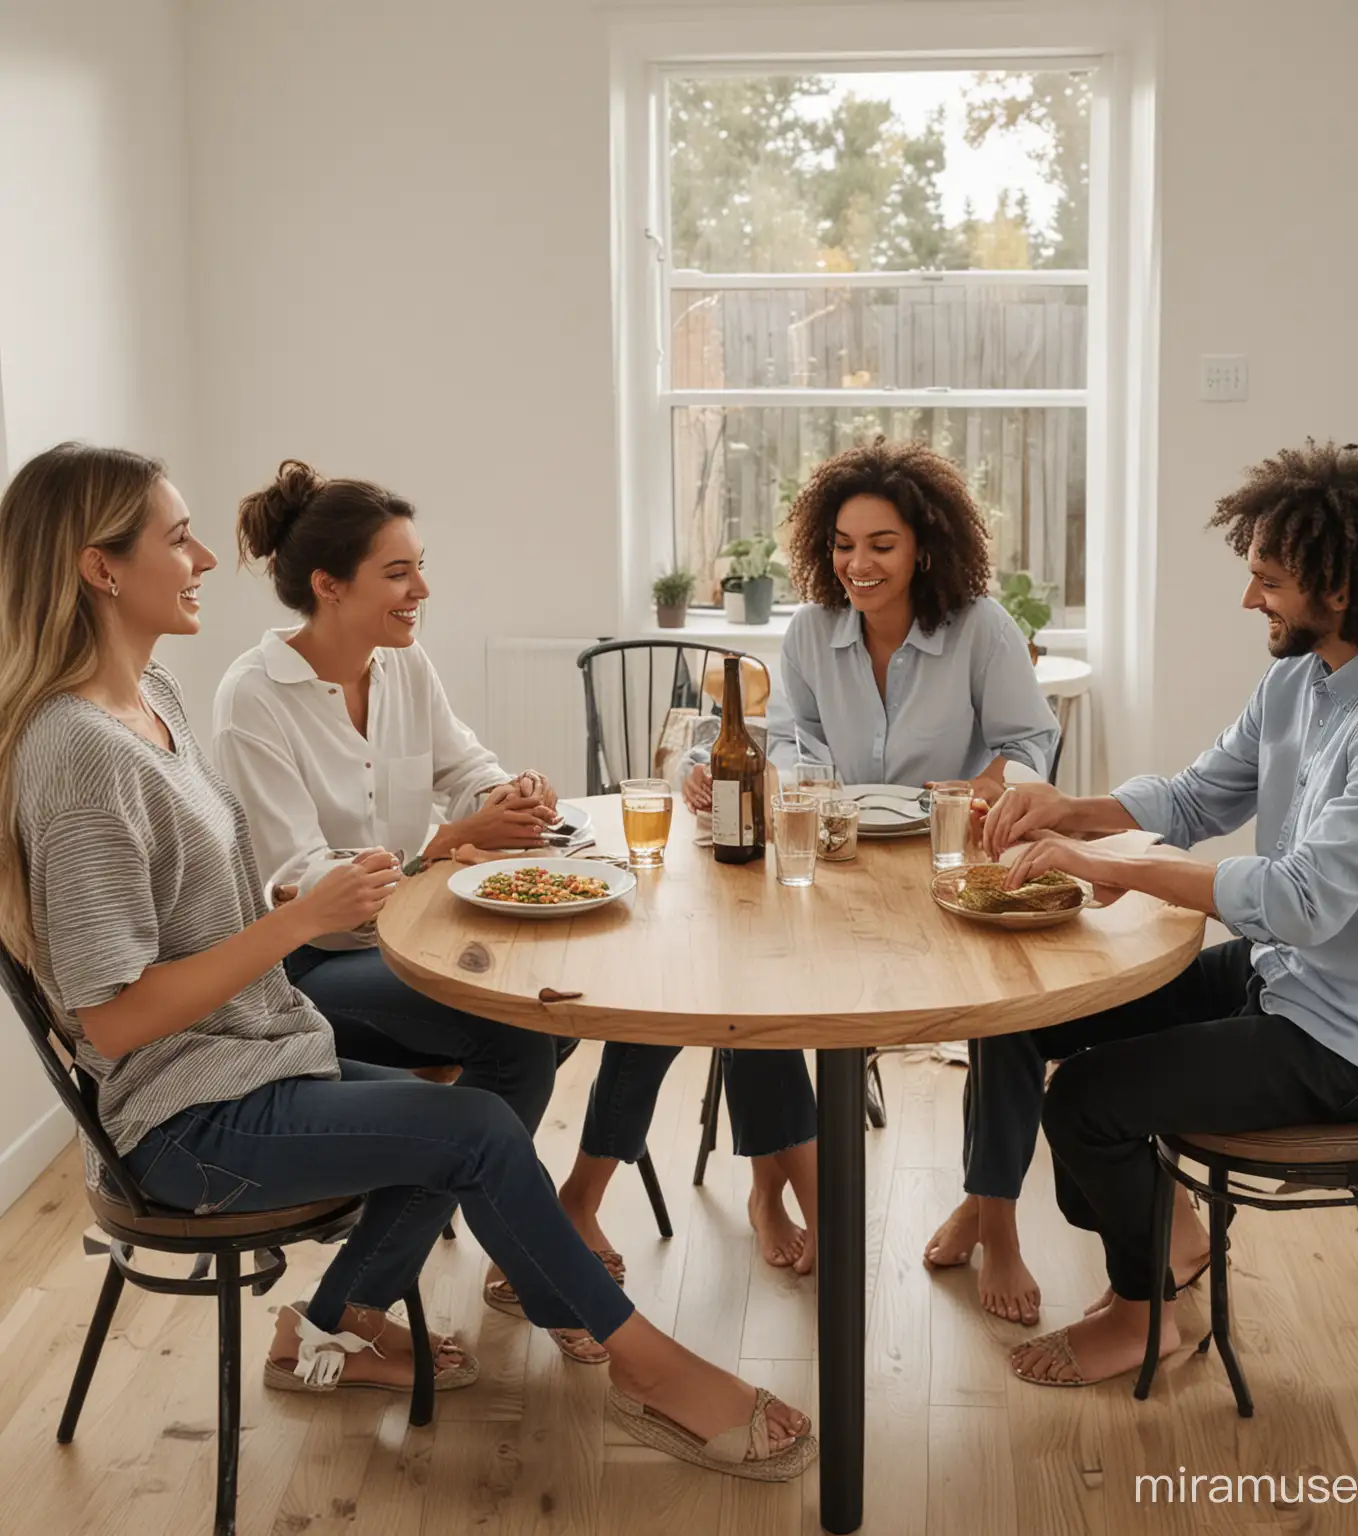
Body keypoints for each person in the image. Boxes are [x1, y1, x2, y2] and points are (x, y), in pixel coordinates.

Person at [0, 442, 814, 1478]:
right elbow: (108, 1019)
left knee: (496, 1079)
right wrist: (298, 923)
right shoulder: (77, 751)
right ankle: (646, 1366)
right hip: (184, 1119)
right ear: (99, 567)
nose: (205, 555)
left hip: (256, 1055)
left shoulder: (148, 697)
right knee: (471, 1127)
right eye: (177, 537)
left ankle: (332, 1324)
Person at [980, 441, 1358, 1387]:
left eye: (1269, 581)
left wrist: (1112, 869)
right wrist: (1069, 810)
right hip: (1287, 981)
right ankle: (1171, 1229)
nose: (1250, 600)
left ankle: (1148, 1317)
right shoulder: (1303, 680)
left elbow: (1299, 900)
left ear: (1338, 587)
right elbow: (1197, 797)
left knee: (1088, 1101)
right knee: (1028, 1013)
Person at [557, 438, 1058, 1290]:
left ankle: (994, 1218)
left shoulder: (980, 628)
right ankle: (769, 1191)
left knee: (1006, 1021)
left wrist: (977, 791)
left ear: (926, 545)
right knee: (749, 983)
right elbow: (784, 741)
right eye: (842, 544)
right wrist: (752, 776)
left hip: (944, 871)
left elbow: (1029, 743)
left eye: (881, 544)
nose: (857, 563)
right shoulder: (812, 632)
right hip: (832, 867)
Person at [212, 462, 594, 1352]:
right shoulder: (251, 700)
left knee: (544, 1008)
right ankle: (523, 1275)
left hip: (405, 937)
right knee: (516, 1040)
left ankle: (424, 1272)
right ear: (328, 585)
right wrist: (453, 840)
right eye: (398, 573)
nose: (421, 589)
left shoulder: (401, 660)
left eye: (420, 566)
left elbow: (462, 762)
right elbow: (303, 882)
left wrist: (512, 793)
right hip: (302, 967)